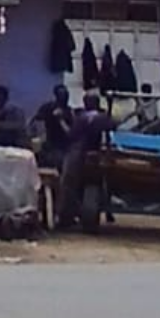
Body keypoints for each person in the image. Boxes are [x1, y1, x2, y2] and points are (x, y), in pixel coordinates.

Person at [58, 92, 116, 227]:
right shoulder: (105, 117)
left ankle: (67, 216)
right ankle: (107, 211)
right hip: (99, 155)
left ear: (86, 103)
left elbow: (70, 136)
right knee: (103, 184)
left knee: (68, 185)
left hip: (78, 154)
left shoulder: (83, 118)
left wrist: (61, 121)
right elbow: (113, 128)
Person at [31, 85, 74, 170]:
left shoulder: (69, 111)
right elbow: (34, 120)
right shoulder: (48, 107)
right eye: (62, 95)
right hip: (51, 143)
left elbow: (71, 131)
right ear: (56, 96)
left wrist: (61, 119)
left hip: (65, 145)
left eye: (66, 95)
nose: (65, 97)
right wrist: (36, 136)